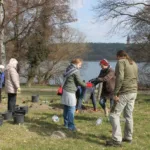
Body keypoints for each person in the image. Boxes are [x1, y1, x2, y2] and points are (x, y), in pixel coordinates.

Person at [106, 50, 138, 146]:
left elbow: (120, 78)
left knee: (113, 115)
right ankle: (128, 137)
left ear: (118, 56)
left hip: (124, 92)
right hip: (133, 92)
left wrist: (115, 93)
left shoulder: (121, 62)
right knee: (128, 115)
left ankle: (116, 140)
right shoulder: (133, 62)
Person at [61, 58, 89, 131]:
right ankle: (71, 126)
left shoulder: (68, 68)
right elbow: (79, 81)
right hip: (70, 91)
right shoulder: (75, 71)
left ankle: (66, 123)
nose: (80, 66)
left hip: (65, 90)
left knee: (66, 107)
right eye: (80, 65)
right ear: (76, 64)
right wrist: (87, 85)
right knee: (71, 108)